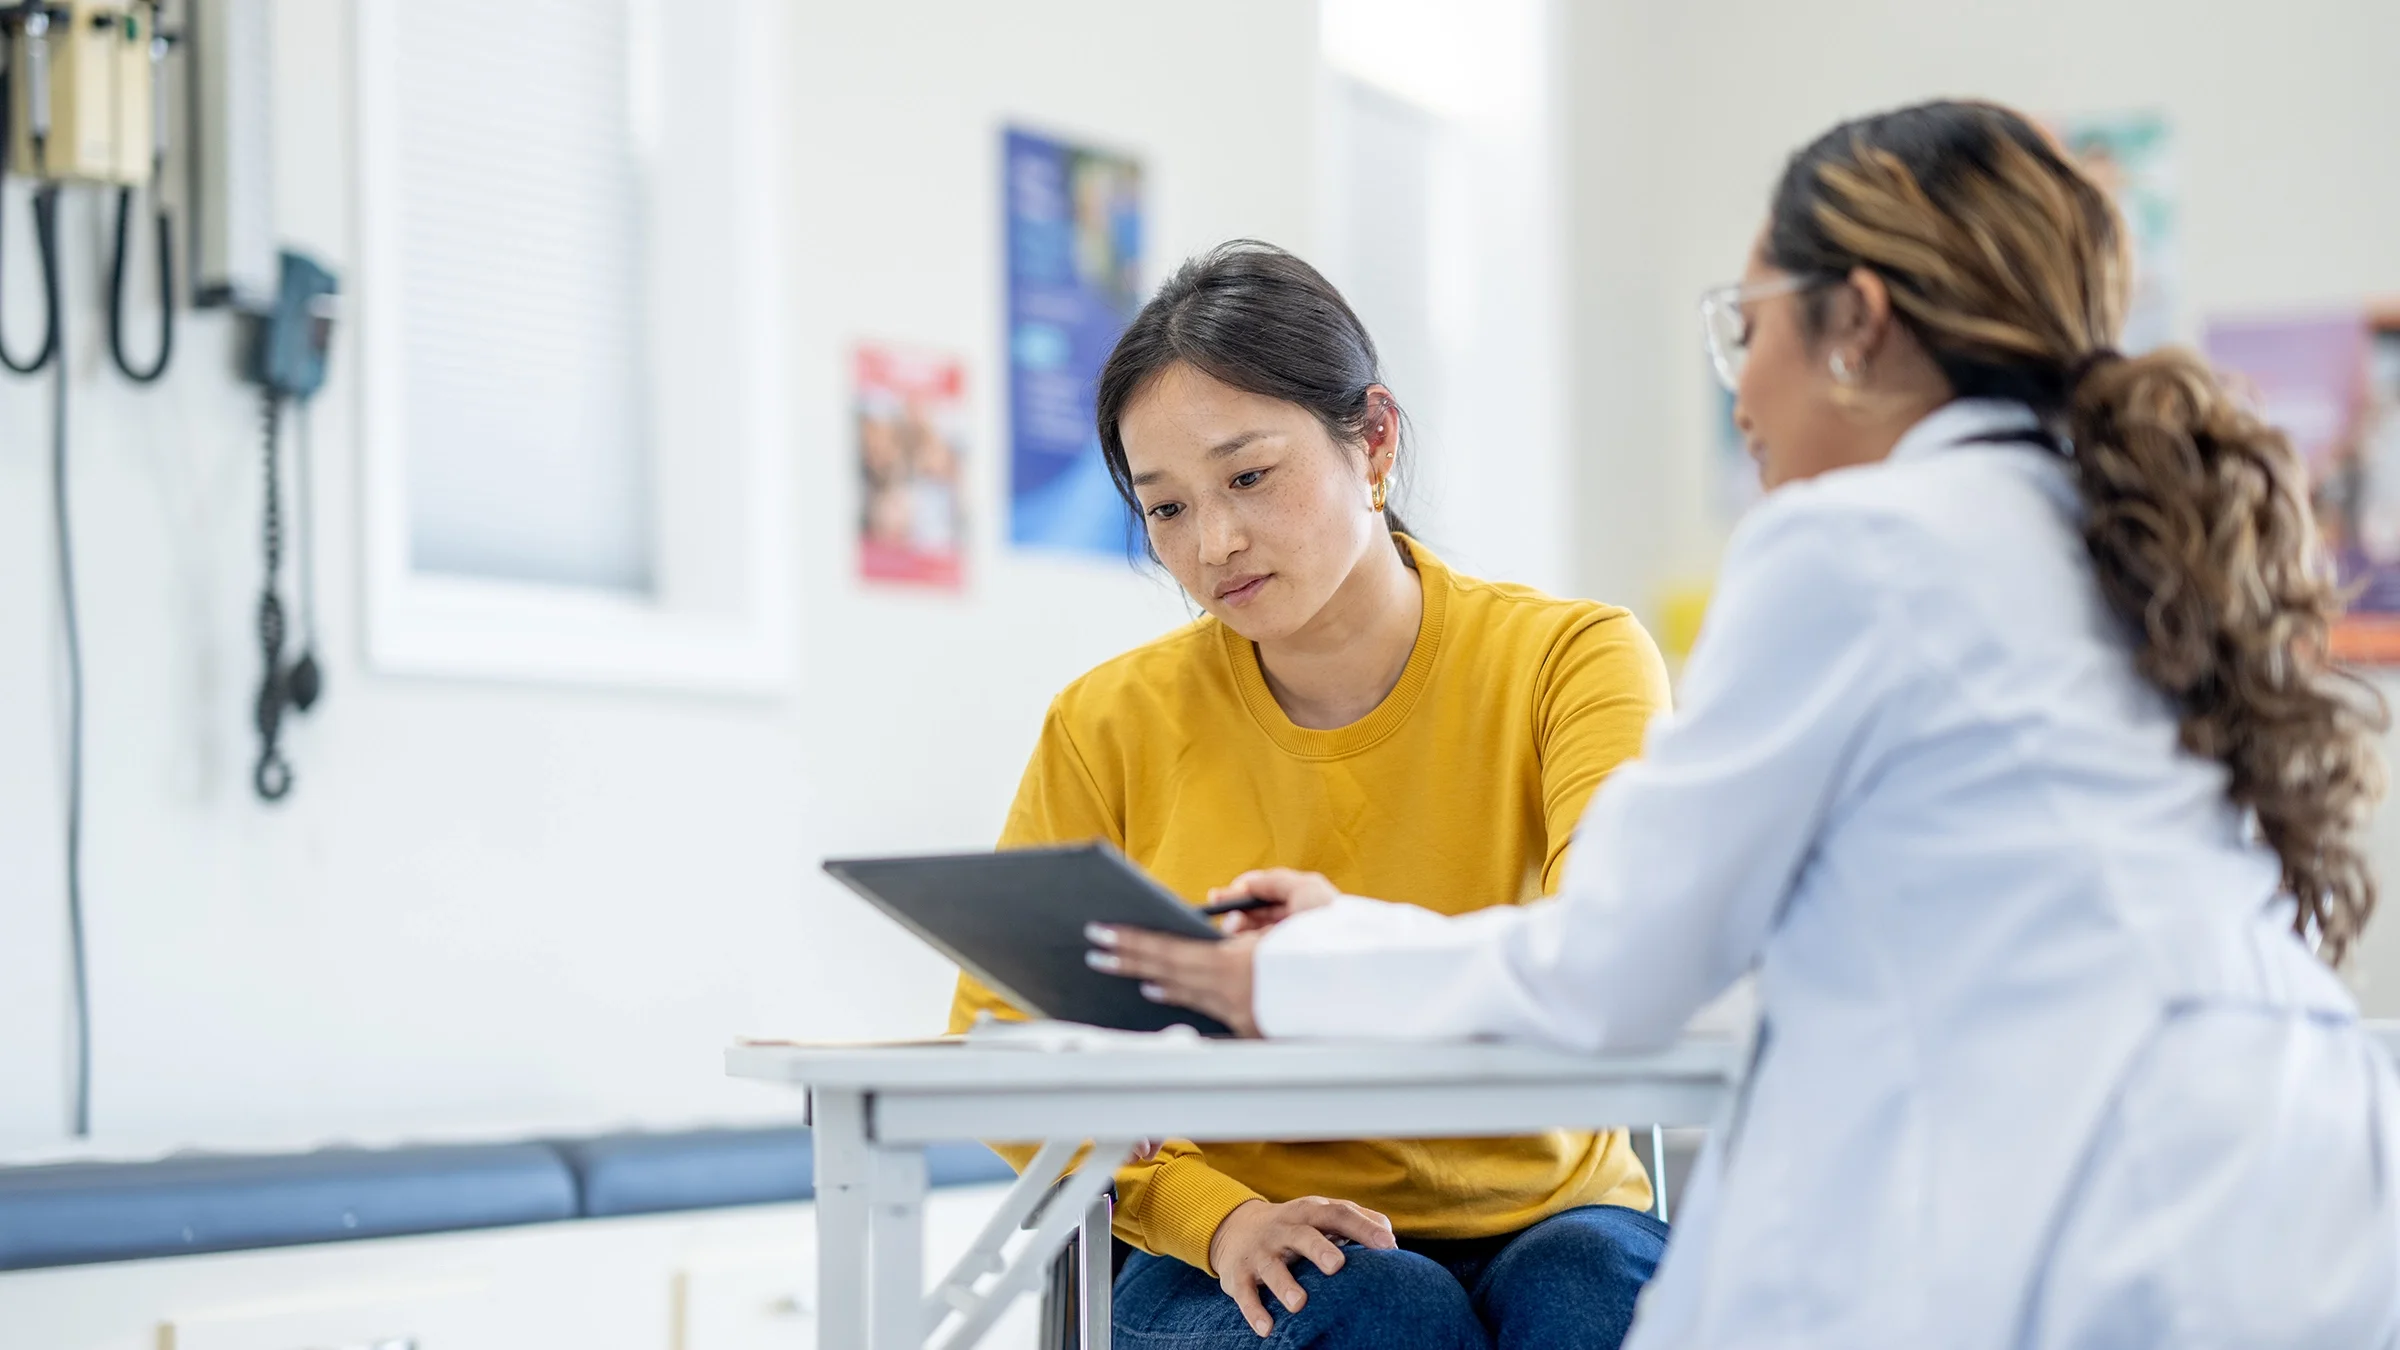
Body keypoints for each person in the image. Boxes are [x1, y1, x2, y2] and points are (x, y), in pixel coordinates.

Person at [1092, 102, 2400, 1347]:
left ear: (1861, 325)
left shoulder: (1853, 547)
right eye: (1166, 506)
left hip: (2104, 1199)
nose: (1738, 395)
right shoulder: (2128, 532)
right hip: (2302, 1177)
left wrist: (1297, 963)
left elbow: (1621, 962)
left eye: (1745, 327)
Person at [953, 240, 1675, 1347]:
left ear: (1372, 438)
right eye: (1166, 510)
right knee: (1380, 1305)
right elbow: (1001, 1029)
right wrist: (1212, 1215)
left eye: (1248, 477)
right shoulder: (1110, 721)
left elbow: (1610, 951)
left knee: (1592, 1301)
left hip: (1551, 1207)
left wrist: (1351, 956)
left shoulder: (1572, 660)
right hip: (1225, 1241)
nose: (1215, 545)